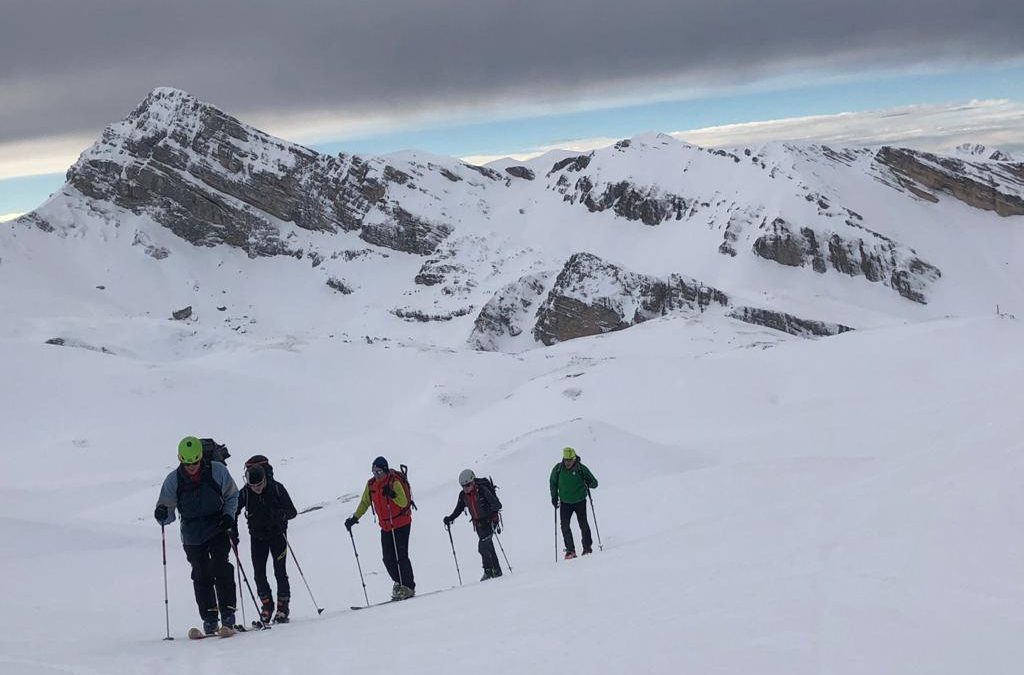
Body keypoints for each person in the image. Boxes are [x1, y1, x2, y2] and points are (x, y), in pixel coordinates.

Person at [154, 436, 240, 635]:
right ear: (180, 459)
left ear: (201, 457)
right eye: (187, 463)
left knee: (221, 566)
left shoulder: (217, 471)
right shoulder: (173, 480)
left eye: (195, 462)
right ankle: (209, 618)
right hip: (192, 533)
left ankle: (228, 614)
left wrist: (228, 516)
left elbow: (232, 494)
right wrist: (161, 514)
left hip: (218, 526)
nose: (192, 466)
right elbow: (166, 513)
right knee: (201, 572)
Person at [236, 455, 297, 624]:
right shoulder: (245, 493)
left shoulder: (277, 488)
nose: (257, 488)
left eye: (260, 484)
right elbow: (233, 510)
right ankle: (267, 607)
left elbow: (292, 511)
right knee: (259, 574)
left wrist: (279, 515)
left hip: (278, 535)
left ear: (265, 479)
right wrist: (230, 528)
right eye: (253, 485)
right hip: (257, 538)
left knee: (280, 571)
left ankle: (283, 608)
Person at [344, 456, 416, 600]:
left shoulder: (394, 482)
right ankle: (400, 582)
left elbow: (403, 502)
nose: (376, 475)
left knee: (401, 557)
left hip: (401, 523)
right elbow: (365, 502)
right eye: (374, 472)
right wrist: (355, 518)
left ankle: (408, 587)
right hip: (386, 526)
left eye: (379, 472)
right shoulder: (371, 485)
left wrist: (393, 494)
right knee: (388, 558)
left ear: (385, 470)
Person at [443, 469, 503, 580]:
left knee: (483, 546)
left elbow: (497, 505)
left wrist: (490, 514)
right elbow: (459, 509)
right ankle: (496, 571)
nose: (466, 488)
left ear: (473, 481)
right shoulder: (463, 496)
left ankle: (489, 571)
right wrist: (450, 518)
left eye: (468, 485)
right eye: (463, 486)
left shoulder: (483, 491)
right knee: (488, 547)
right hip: (479, 525)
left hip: (490, 523)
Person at [549, 446, 598, 559]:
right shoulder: (558, 469)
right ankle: (570, 551)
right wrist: (554, 497)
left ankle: (587, 548)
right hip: (565, 503)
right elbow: (553, 482)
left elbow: (595, 483)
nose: (567, 462)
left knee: (583, 524)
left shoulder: (581, 469)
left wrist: (588, 483)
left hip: (580, 501)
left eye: (570, 460)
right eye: (566, 460)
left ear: (574, 458)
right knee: (564, 526)